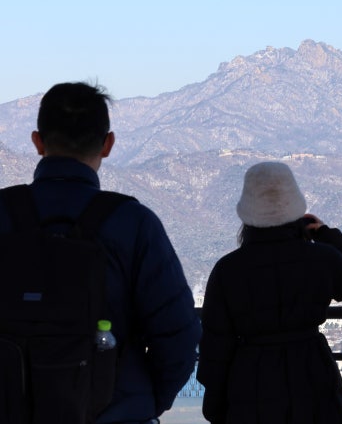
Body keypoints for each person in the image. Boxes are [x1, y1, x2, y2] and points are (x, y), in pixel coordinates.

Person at [0, 82, 201, 422]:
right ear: (108, 144)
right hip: (116, 410)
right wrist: (144, 402)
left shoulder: (4, 213)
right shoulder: (133, 223)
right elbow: (179, 335)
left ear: (37, 141)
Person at [197, 161, 342, 423]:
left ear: (247, 213)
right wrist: (326, 234)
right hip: (313, 374)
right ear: (296, 209)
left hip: (251, 380)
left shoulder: (228, 270)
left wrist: (215, 407)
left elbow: (215, 346)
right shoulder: (320, 258)